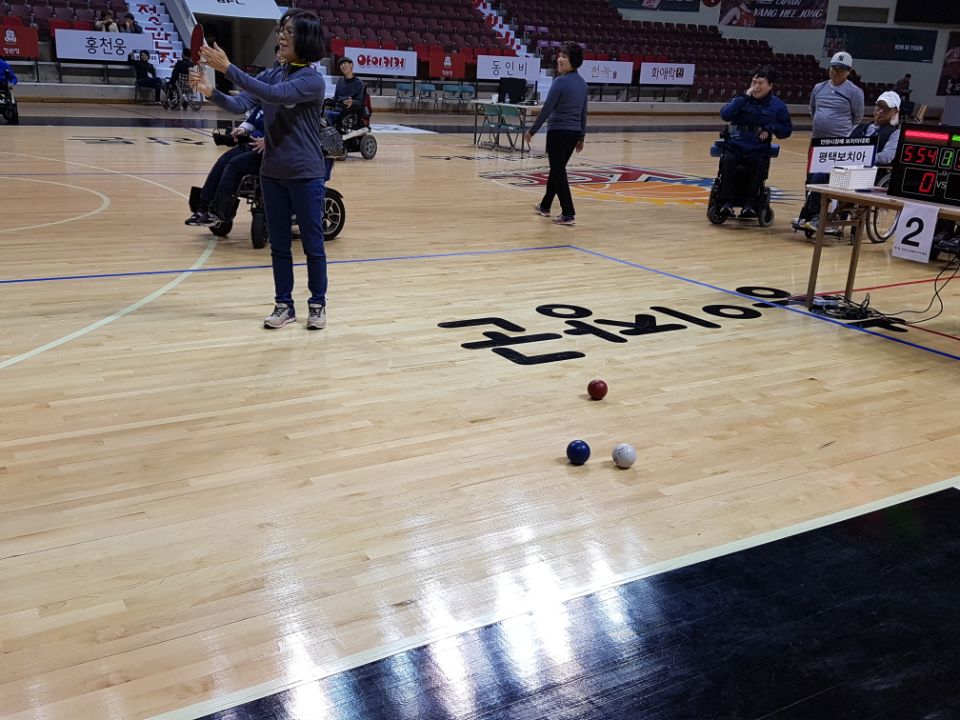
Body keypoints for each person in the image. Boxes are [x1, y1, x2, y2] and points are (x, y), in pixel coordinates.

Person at [191, 8, 331, 330]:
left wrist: (228, 68)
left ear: (306, 39)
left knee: (313, 246)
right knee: (279, 245)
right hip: (272, 174)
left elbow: (273, 96)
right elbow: (242, 104)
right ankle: (284, 305)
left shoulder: (311, 80)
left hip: (306, 174)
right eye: (282, 30)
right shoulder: (273, 74)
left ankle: (317, 304)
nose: (282, 36)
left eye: (290, 31)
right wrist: (211, 91)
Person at [794, 51, 864, 230]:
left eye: (840, 69)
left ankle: (825, 215)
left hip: (838, 145)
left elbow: (857, 117)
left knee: (827, 179)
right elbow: (813, 109)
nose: (835, 72)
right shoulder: (819, 87)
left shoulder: (854, 92)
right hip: (817, 142)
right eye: (833, 68)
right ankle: (809, 213)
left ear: (848, 72)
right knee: (811, 178)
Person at [523, 42, 588, 227]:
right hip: (573, 134)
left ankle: (568, 213)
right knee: (557, 169)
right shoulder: (583, 84)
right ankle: (545, 205)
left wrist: (532, 130)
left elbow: (546, 109)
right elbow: (583, 112)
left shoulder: (559, 82)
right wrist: (581, 136)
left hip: (558, 132)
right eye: (560, 55)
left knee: (558, 172)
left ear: (573, 60)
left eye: (564, 57)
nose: (560, 59)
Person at [716, 67, 792, 219]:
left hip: (757, 148)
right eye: (754, 82)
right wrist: (744, 97)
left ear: (770, 86)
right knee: (728, 162)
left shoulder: (777, 106)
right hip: (735, 145)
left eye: (760, 83)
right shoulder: (741, 99)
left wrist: (771, 128)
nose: (756, 86)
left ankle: (750, 205)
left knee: (757, 165)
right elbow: (725, 115)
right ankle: (726, 203)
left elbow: (786, 130)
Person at [186, 106, 266, 227]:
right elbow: (251, 122)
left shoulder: (283, 105)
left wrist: (268, 140)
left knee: (234, 165)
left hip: (268, 152)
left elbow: (285, 131)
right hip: (250, 145)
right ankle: (202, 208)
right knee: (222, 162)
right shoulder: (263, 104)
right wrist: (241, 130)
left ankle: (218, 211)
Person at [849, 90, 901, 167]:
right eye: (879, 106)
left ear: (895, 112)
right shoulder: (859, 126)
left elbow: (887, 156)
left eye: (887, 108)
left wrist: (862, 157)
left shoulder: (895, 133)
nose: (881, 111)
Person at [326, 57, 364, 130]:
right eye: (341, 65)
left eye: (344, 64)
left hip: (348, 111)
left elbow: (360, 102)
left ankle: (332, 133)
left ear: (351, 65)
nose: (342, 66)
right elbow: (335, 98)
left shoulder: (359, 83)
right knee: (321, 112)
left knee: (327, 114)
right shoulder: (340, 81)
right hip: (338, 109)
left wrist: (352, 102)